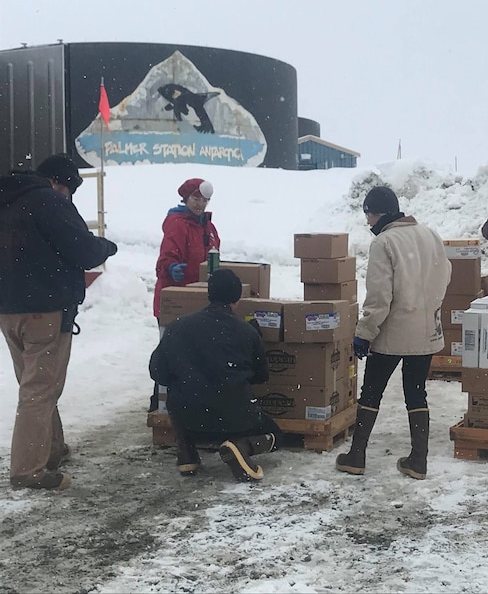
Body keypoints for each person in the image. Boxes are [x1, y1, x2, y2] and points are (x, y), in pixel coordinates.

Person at [0, 154, 118, 490]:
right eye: (69, 189)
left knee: (35, 383)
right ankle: (27, 471)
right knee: (40, 389)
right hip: (44, 310)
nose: (68, 196)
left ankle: (51, 450)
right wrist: (105, 246)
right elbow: (82, 250)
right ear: (58, 182)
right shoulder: (47, 201)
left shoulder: (8, 198)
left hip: (9, 308)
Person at [336, 186, 451, 480]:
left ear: (381, 213)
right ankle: (418, 460)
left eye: (369, 214)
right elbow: (444, 275)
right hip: (426, 332)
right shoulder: (430, 235)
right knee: (416, 392)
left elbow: (379, 296)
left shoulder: (384, 243)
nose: (367, 222)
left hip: (392, 333)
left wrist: (365, 332)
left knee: (371, 391)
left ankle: (357, 456)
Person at [149, 269, 281, 482]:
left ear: (209, 294)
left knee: (179, 393)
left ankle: (187, 454)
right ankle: (241, 446)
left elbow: (158, 372)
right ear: (237, 299)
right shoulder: (247, 332)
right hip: (236, 420)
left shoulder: (178, 326)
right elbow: (261, 376)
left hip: (189, 419)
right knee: (276, 434)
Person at [149, 178, 220, 412]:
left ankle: (188, 402)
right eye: (196, 199)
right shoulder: (177, 224)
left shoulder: (208, 227)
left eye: (205, 200)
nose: (200, 204)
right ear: (186, 198)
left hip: (198, 300)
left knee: (193, 355)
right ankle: (160, 402)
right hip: (175, 301)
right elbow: (165, 259)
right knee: (171, 353)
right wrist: (171, 269)